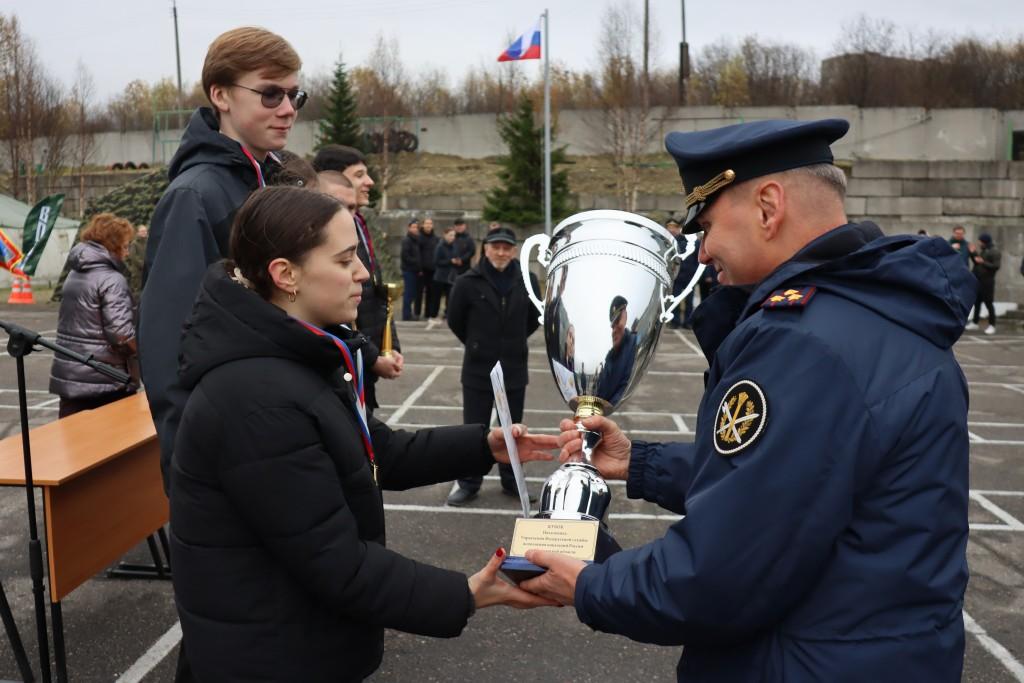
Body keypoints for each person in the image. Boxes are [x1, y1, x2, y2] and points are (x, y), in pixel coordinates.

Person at [521, 119, 976, 682]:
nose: (703, 250)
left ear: (768, 206)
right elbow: (801, 480)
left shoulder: (804, 340)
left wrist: (589, 583)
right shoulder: (875, 309)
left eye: (706, 224)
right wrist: (640, 463)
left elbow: (722, 574)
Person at [169, 186, 557, 682]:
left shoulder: (296, 355)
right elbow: (337, 563)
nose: (364, 275)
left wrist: (483, 445)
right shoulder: (255, 399)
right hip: (271, 655)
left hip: (297, 641)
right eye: (346, 259)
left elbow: (378, 453)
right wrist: (462, 593)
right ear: (286, 275)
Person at [139, 27, 306, 491]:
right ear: (221, 95)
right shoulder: (196, 196)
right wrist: (192, 473)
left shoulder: (268, 183)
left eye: (296, 95)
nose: (288, 109)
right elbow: (170, 345)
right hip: (234, 455)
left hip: (280, 429)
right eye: (271, 93)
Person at [445, 226, 541, 506]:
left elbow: (534, 318)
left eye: (507, 248)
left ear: (514, 251)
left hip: (514, 368)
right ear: (485, 248)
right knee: (474, 430)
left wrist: (513, 342)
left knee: (512, 429)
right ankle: (469, 483)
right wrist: (476, 344)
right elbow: (455, 319)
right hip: (478, 369)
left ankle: (511, 481)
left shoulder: (528, 280)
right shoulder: (467, 281)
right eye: (496, 246)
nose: (501, 252)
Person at [313, 144, 403, 414]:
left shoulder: (363, 224)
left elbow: (378, 293)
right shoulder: (325, 234)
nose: (370, 182)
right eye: (360, 174)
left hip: (364, 360)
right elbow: (334, 311)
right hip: (347, 362)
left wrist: (390, 346)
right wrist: (373, 357)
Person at [49, 213, 138, 417]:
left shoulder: (75, 273)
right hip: (106, 379)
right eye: (125, 246)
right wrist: (142, 350)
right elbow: (121, 335)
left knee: (75, 443)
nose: (127, 253)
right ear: (113, 245)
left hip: (71, 375)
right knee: (117, 444)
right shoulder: (112, 280)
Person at [666, 217, 700, 329]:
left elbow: (698, 259)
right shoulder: (675, 241)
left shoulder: (696, 242)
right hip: (677, 276)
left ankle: (688, 322)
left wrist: (696, 273)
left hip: (690, 276)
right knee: (674, 299)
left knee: (689, 301)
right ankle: (675, 321)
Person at [965, 232, 1001, 335]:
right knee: (977, 303)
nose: (979, 243)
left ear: (985, 241)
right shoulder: (984, 251)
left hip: (988, 282)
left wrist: (983, 262)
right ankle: (975, 323)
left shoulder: (994, 251)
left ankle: (992, 325)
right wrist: (973, 253)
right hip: (979, 281)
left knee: (989, 304)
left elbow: (996, 266)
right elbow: (977, 262)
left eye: (980, 241)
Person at [433, 225, 458, 318]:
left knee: (450, 297)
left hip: (451, 276)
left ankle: (448, 313)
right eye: (450, 235)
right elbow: (436, 261)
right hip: (440, 276)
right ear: (445, 235)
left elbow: (455, 256)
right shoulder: (440, 246)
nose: (452, 237)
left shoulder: (454, 246)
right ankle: (434, 314)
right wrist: (449, 261)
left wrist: (456, 261)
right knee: (436, 297)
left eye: (453, 235)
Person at [418, 217, 440, 319]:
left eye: (430, 224)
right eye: (426, 223)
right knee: (419, 292)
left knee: (431, 293)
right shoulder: (419, 238)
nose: (428, 225)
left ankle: (429, 313)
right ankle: (417, 313)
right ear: (423, 225)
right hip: (422, 270)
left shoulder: (436, 239)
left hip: (433, 269)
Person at [400, 219, 422, 321]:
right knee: (408, 293)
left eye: (416, 227)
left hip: (415, 271)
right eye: (413, 227)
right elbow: (405, 256)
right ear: (409, 228)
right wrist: (417, 262)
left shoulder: (416, 240)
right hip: (409, 270)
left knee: (412, 293)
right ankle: (406, 315)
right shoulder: (407, 240)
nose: (415, 229)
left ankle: (409, 314)